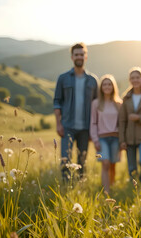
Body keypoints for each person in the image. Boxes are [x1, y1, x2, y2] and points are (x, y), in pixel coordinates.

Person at [53, 42, 98, 181]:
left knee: (82, 160)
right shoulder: (63, 78)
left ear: (86, 56)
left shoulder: (93, 80)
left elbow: (96, 106)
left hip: (85, 127)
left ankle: (80, 186)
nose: (79, 56)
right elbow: (57, 101)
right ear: (72, 57)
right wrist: (58, 124)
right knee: (65, 159)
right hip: (67, 126)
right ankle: (65, 185)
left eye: (82, 54)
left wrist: (94, 129)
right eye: (76, 54)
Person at [90, 75, 122, 193]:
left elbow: (122, 123)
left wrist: (122, 140)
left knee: (113, 164)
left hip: (115, 138)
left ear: (113, 87)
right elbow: (93, 122)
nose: (107, 86)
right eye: (104, 84)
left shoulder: (119, 103)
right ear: (101, 87)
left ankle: (112, 184)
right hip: (102, 138)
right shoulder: (96, 104)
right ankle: (106, 191)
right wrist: (95, 139)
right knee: (105, 163)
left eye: (109, 84)